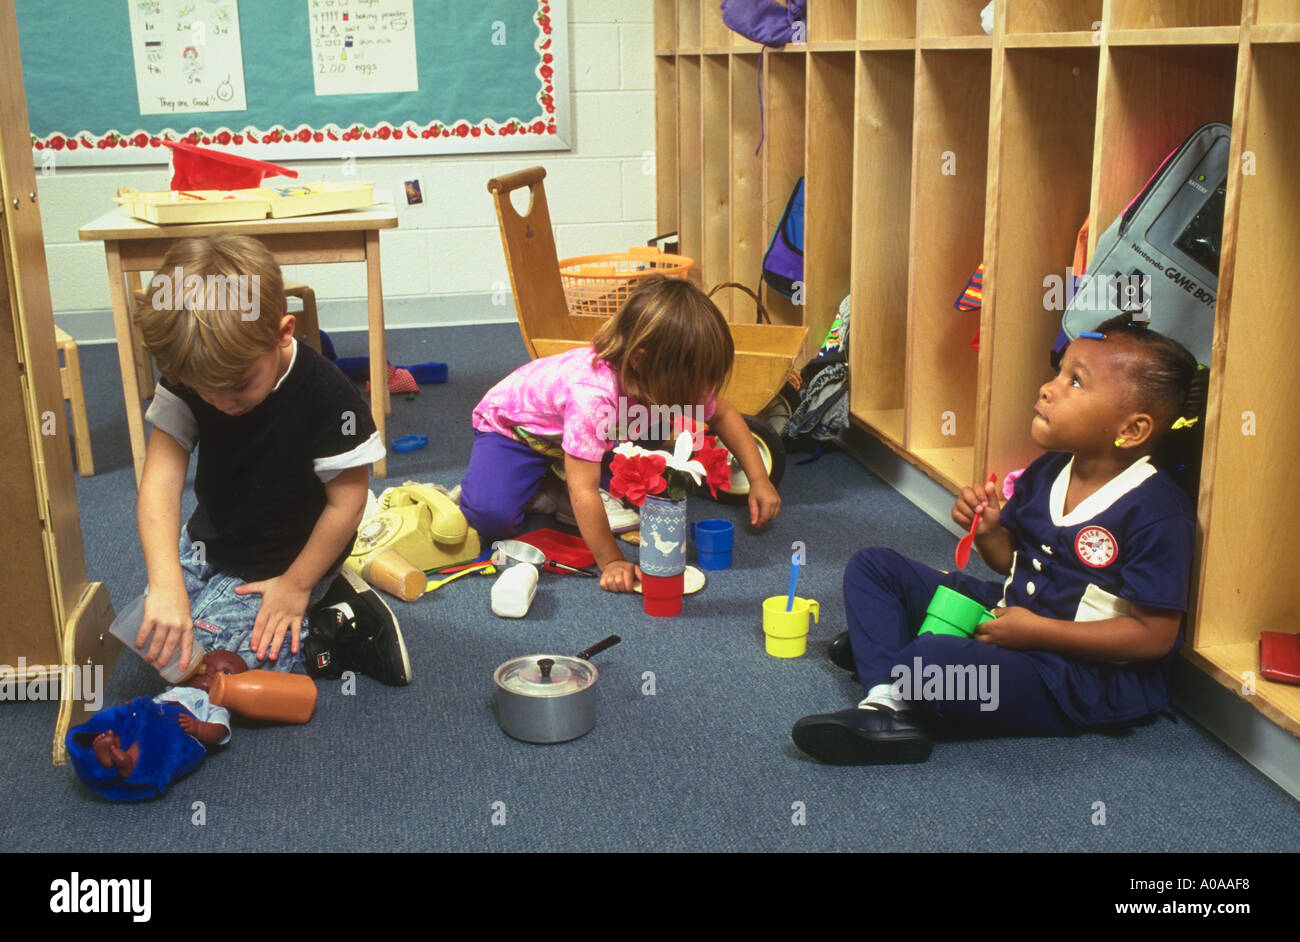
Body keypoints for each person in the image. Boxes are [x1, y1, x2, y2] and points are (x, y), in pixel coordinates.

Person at [793, 315, 1207, 764]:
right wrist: (990, 529)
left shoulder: (1157, 512)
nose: (1049, 388)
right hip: (1012, 617)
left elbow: (1153, 637)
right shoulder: (1050, 469)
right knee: (874, 567)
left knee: (928, 662)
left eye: (1075, 383)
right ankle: (888, 696)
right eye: (1059, 372)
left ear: (1132, 430)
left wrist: (1038, 632)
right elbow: (1007, 561)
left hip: (1077, 679)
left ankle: (891, 676)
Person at [129, 233, 410, 686]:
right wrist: (164, 586)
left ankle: (330, 623)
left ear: (283, 333)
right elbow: (159, 483)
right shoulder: (196, 372)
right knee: (154, 638)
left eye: (239, 385)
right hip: (213, 541)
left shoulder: (328, 397)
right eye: (204, 391)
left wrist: (297, 586)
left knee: (213, 667)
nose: (221, 403)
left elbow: (348, 505)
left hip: (291, 559)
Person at [460, 275, 782, 592]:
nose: (699, 394)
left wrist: (758, 479)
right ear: (642, 361)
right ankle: (551, 484)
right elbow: (584, 489)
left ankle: (561, 478)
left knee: (648, 452)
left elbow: (723, 413)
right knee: (491, 518)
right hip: (515, 432)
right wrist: (611, 561)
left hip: (590, 434)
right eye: (691, 385)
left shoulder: (665, 373)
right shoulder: (591, 395)